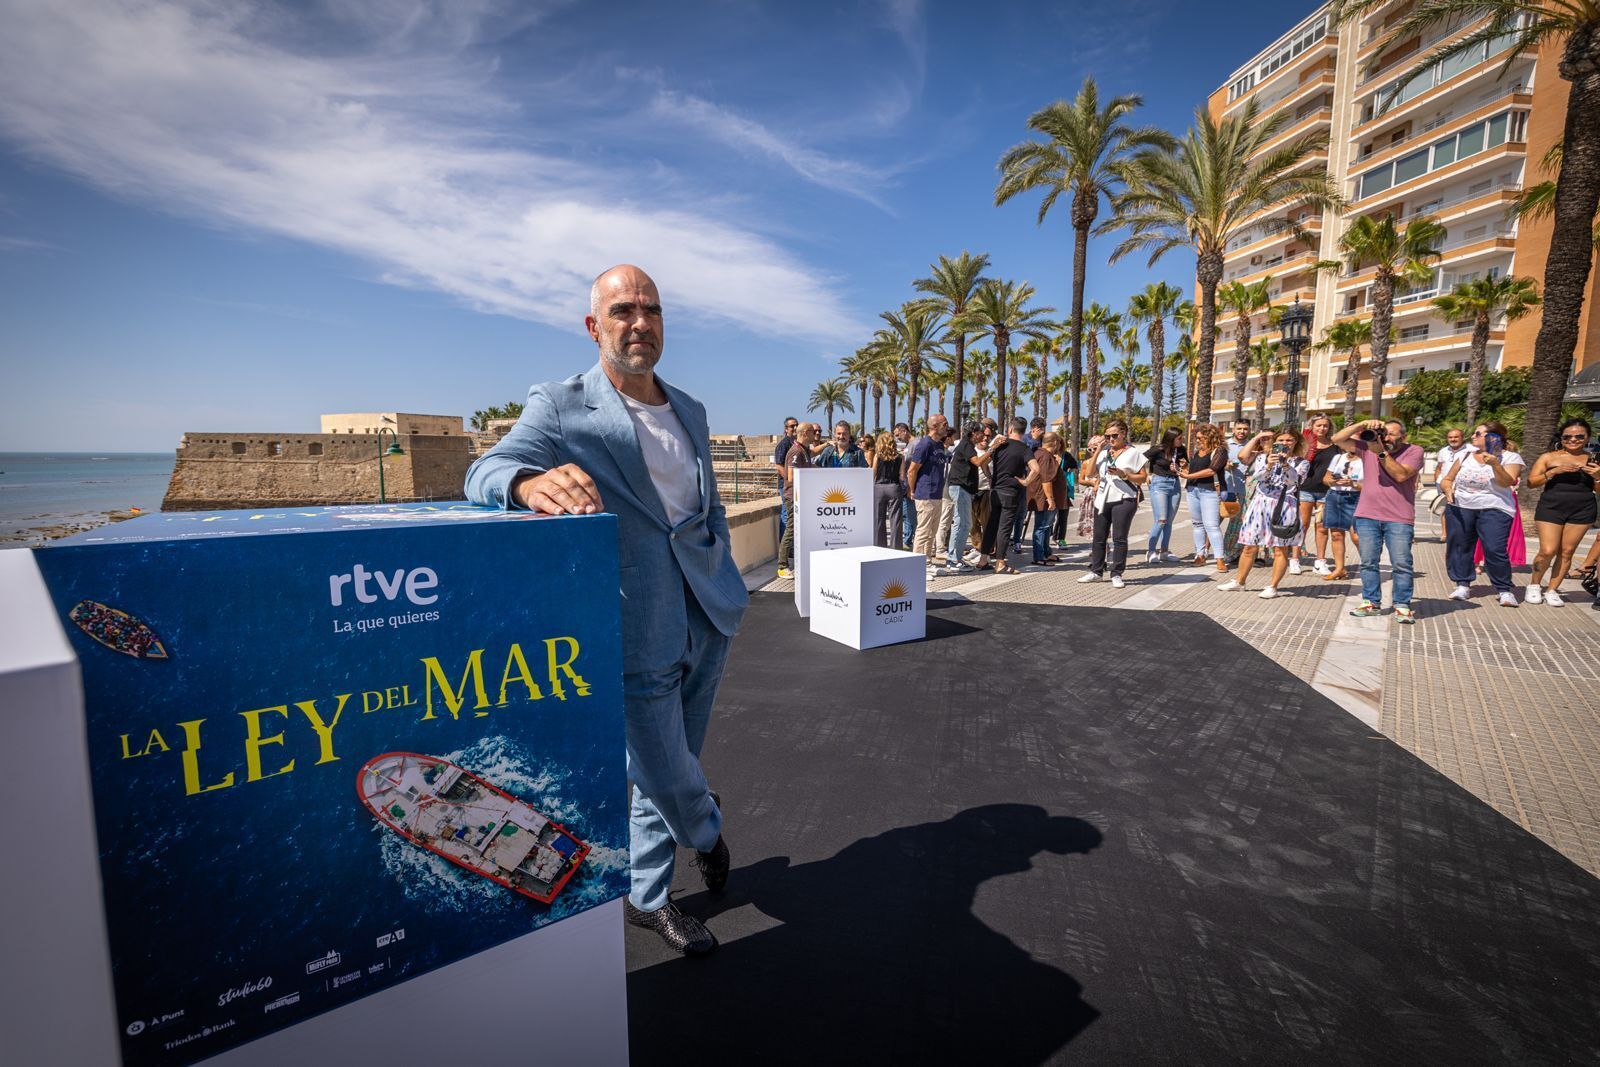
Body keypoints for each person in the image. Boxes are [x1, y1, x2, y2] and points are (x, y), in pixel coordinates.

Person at [465, 264, 743, 957]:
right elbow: (483, 472)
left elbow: (702, 510)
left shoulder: (692, 409)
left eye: (650, 309)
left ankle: (647, 897)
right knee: (664, 765)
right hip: (635, 617)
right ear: (595, 326)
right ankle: (706, 829)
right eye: (622, 310)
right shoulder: (560, 404)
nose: (639, 322)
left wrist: (726, 573)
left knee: (673, 761)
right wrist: (529, 482)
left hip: (708, 605)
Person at [1332, 418, 1425, 623]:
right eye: (1384, 433)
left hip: (1398, 517)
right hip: (1367, 515)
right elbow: (1337, 438)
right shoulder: (1367, 447)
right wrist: (1362, 424)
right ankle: (1371, 602)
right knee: (1368, 562)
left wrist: (1381, 452)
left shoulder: (1414, 451)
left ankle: (1402, 604)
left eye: (1392, 434)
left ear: (1404, 435)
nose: (1387, 437)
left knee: (1401, 563)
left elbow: (1400, 475)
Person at [1438, 420, 1524, 607]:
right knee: (1460, 546)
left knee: (1494, 548)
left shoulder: (1510, 457)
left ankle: (1504, 589)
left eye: (1478, 434)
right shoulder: (1466, 454)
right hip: (1461, 507)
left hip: (1495, 508)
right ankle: (1462, 584)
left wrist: (1495, 465)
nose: (1473, 437)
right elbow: (1447, 479)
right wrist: (1447, 489)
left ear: (1494, 437)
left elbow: (1505, 482)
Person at [1218, 430, 1309, 597]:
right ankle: (1240, 581)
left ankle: (1273, 586)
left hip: (1284, 505)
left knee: (1280, 548)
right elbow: (1257, 477)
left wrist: (1285, 465)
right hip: (1260, 504)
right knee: (1249, 545)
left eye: (1289, 440)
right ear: (1274, 442)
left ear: (1296, 442)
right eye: (1281, 440)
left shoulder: (1301, 462)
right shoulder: (1262, 457)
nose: (1286, 443)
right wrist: (1268, 465)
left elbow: (1295, 481)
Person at [1524, 417, 1600, 606]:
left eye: (1579, 436)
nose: (1573, 439)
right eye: (1568, 436)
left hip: (1582, 509)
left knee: (1567, 552)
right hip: (1551, 508)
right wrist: (1554, 471)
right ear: (1562, 437)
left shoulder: (1594, 459)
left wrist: (1597, 477)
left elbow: (1599, 490)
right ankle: (1534, 585)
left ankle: (1552, 589)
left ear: (1587, 437)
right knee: (1547, 550)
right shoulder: (1549, 457)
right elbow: (1531, 482)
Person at [1077, 419, 1150, 588]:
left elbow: (1142, 477)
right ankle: (1096, 571)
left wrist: (1124, 474)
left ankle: (1117, 573)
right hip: (1103, 497)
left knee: (1119, 538)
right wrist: (1098, 451)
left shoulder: (1133, 453)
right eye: (1107, 436)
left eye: (1114, 435)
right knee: (1099, 537)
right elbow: (1090, 473)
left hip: (1124, 497)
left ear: (1123, 434)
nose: (1111, 439)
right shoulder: (1104, 452)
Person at [979, 418, 1035, 575]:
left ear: (1010, 429)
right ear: (1024, 432)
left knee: (991, 524)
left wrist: (990, 477)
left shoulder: (999, 445)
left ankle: (983, 559)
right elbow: (1035, 469)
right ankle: (1000, 562)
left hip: (996, 490)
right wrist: (1025, 482)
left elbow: (983, 463)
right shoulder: (1025, 449)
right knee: (1004, 527)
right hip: (1011, 492)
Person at [905, 414, 950, 571]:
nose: (947, 427)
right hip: (925, 493)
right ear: (934, 426)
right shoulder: (925, 444)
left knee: (932, 531)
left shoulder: (939, 445)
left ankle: (927, 562)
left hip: (937, 494)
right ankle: (916, 566)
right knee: (923, 531)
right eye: (944, 424)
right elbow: (912, 470)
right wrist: (912, 490)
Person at [939, 421, 985, 574]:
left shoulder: (967, 445)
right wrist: (993, 448)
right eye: (981, 432)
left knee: (965, 523)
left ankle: (955, 557)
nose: (983, 435)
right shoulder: (966, 445)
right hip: (960, 488)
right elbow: (978, 462)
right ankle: (953, 559)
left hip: (963, 488)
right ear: (974, 433)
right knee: (961, 523)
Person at [1179, 424, 1227, 569]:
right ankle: (1200, 555)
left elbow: (1212, 470)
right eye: (1196, 438)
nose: (1197, 440)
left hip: (1210, 491)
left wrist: (1188, 475)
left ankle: (1220, 558)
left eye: (1200, 438)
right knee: (1197, 524)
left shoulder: (1220, 451)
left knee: (1212, 525)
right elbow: (1195, 470)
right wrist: (1184, 467)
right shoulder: (1197, 452)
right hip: (1193, 490)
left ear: (1210, 437)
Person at [776, 421, 818, 578]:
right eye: (813, 432)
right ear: (806, 433)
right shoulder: (796, 452)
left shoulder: (804, 450)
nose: (815, 435)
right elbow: (792, 476)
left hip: (801, 497)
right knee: (791, 529)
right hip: (793, 497)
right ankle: (782, 566)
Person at [1298, 415, 1337, 575]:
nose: (1322, 428)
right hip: (1305, 489)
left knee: (1321, 527)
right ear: (1312, 426)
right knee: (1302, 525)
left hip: (1325, 491)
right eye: (1319, 425)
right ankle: (1295, 559)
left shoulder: (1335, 445)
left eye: (1325, 426)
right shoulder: (1304, 443)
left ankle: (1320, 561)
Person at [1144, 428, 1187, 564]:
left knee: (1169, 520)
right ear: (1171, 438)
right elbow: (1140, 460)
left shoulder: (1181, 450)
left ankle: (1164, 551)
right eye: (1179, 438)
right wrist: (1146, 475)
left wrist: (1183, 466)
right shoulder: (1158, 449)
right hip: (1159, 483)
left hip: (1175, 483)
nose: (1182, 440)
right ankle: (1151, 551)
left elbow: (1186, 466)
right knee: (1161, 519)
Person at [1319, 447, 1362, 581]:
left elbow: (1372, 485)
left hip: (1357, 497)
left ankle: (1369, 568)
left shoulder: (1367, 459)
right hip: (1335, 495)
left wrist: (1353, 483)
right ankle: (1340, 569)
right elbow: (1326, 478)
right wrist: (1331, 481)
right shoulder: (1338, 458)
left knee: (1357, 536)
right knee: (1336, 535)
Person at [1028, 432, 1067, 565]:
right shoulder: (1045, 456)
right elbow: (1046, 479)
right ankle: (1039, 556)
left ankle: (1046, 552)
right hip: (1044, 498)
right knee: (1042, 527)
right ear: (1055, 442)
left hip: (1042, 497)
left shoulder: (1040, 454)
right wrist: (1050, 499)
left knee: (1046, 526)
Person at [1220, 419, 1253, 564]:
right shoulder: (1225, 445)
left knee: (1238, 523)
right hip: (1226, 489)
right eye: (1239, 428)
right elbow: (1214, 463)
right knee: (1216, 521)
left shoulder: (1253, 445)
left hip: (1244, 491)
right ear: (1233, 429)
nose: (1242, 432)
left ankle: (1233, 552)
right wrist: (1224, 465)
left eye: (1245, 429)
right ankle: (1205, 552)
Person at [871, 430, 904, 550]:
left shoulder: (877, 456)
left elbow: (873, 473)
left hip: (879, 488)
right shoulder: (900, 457)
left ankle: (879, 547)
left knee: (878, 519)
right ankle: (896, 548)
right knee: (895, 520)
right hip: (894, 487)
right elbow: (902, 476)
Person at [773, 417, 798, 545]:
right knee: (787, 515)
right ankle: (785, 547)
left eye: (796, 425)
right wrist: (790, 482)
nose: (794, 428)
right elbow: (779, 466)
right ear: (786, 429)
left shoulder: (796, 444)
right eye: (792, 426)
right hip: (786, 486)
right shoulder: (783, 444)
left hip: (794, 486)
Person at [893, 422, 915, 546]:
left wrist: (911, 487)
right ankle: (908, 539)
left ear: (904, 431)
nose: (897, 438)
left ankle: (908, 540)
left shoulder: (915, 444)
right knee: (905, 514)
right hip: (904, 485)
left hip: (909, 486)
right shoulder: (905, 445)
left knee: (909, 514)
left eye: (897, 435)